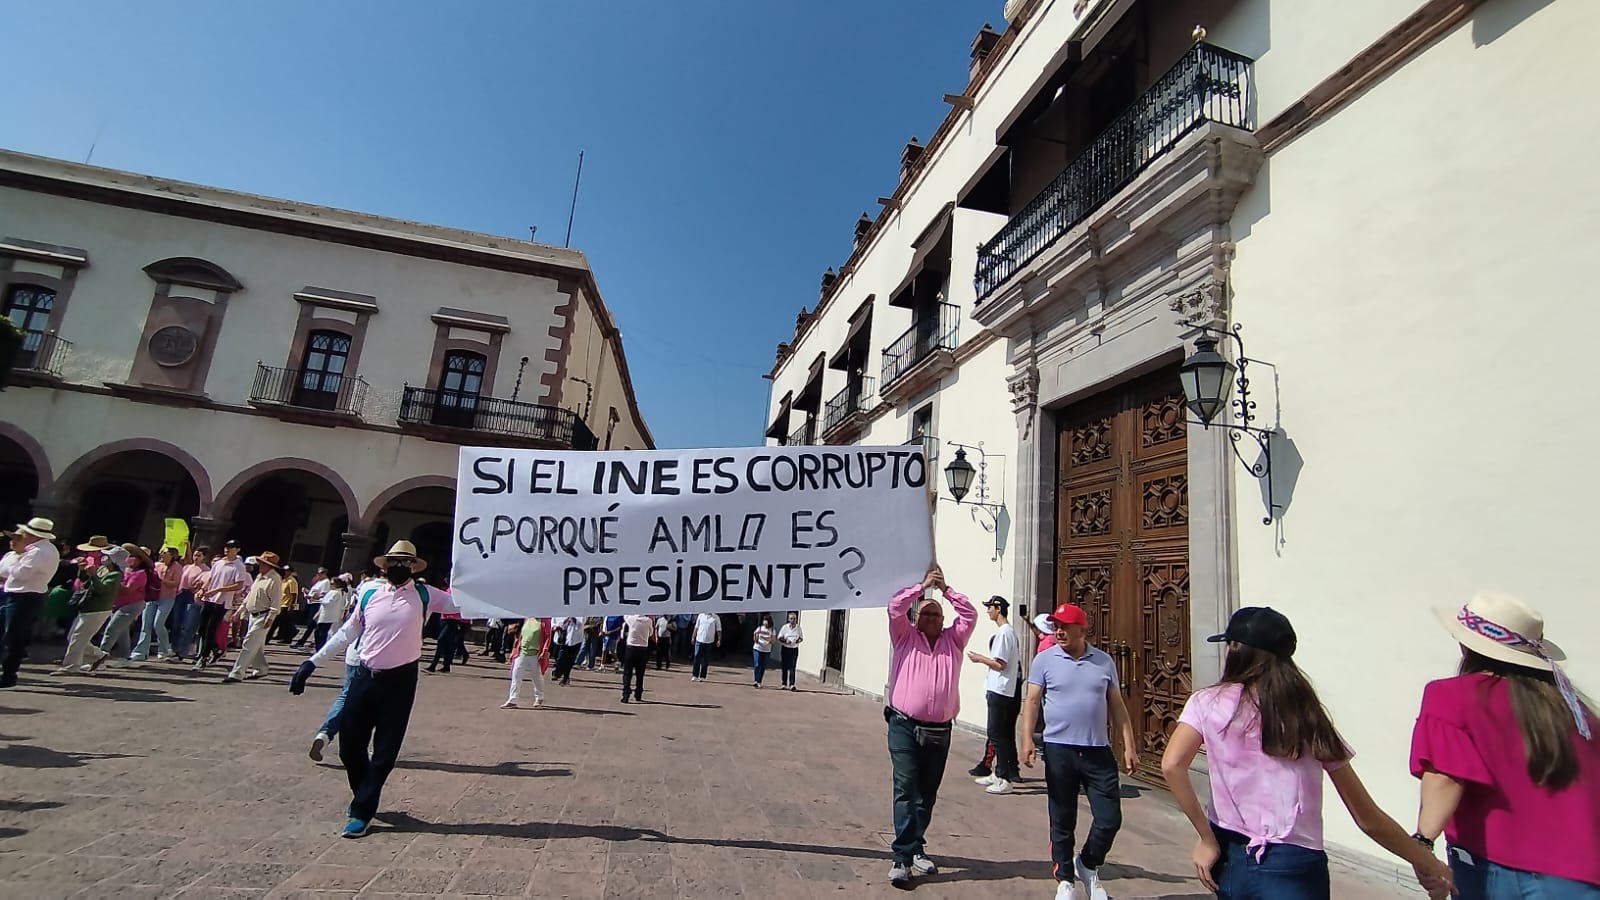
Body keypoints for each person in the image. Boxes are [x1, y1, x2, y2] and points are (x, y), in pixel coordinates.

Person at [1159, 607, 1454, 900]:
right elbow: (1367, 817)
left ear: (1235, 649)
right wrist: (1427, 862)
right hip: (1293, 864)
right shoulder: (1305, 716)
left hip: (1230, 855)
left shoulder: (1206, 703)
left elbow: (1172, 765)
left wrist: (1206, 839)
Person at [1410, 592, 1599, 898]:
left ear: (1465, 645)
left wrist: (1422, 842)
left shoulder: (1450, 697)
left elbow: (1446, 777)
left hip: (1493, 869)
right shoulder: (1578, 713)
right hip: (1580, 877)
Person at [290, 540, 461, 838]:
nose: (400, 567)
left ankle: (362, 811)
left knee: (384, 751)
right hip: (364, 676)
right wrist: (311, 663)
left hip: (400, 680)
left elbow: (465, 603)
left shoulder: (424, 595)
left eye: (406, 563)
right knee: (349, 747)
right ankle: (363, 795)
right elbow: (348, 632)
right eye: (394, 562)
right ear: (384, 566)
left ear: (414, 567)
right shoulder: (369, 593)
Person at [1020, 603, 1137, 900]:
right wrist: (1026, 740)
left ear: (1082, 630)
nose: (1059, 631)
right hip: (1059, 749)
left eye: (1065, 626)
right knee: (1062, 817)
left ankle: (1087, 863)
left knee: (1109, 818)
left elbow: (1118, 706)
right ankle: (1065, 880)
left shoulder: (1104, 662)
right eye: (1056, 625)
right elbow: (1032, 701)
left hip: (1097, 750)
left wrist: (1129, 746)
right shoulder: (1044, 660)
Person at [884, 564, 976, 887]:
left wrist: (946, 590)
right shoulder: (904, 637)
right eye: (925, 614)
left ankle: (916, 844)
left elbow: (970, 614)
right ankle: (902, 856)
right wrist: (921, 588)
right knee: (905, 788)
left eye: (936, 615)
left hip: (939, 730)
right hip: (904, 726)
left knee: (927, 794)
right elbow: (894, 607)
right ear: (916, 618)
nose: (931, 619)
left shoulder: (954, 641)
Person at [968, 595, 1021, 796]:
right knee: (1000, 734)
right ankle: (998, 773)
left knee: (997, 734)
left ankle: (1005, 777)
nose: (988, 611)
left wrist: (980, 658)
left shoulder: (1004, 634)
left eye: (990, 607)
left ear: (998, 609)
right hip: (1000, 689)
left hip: (1000, 690)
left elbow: (1000, 664)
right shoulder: (1007, 633)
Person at [1, 518, 61, 687]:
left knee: (13, 636)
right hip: (24, 595)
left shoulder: (37, 552)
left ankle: (8, 675)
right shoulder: (44, 550)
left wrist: (15, 562)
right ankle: (8, 672)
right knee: (12, 635)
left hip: (24, 595)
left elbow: (21, 574)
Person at [53, 547, 126, 674]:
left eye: (108, 557)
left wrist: (93, 575)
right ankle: (98, 655)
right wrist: (82, 571)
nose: (105, 558)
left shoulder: (116, 575)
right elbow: (85, 582)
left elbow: (102, 590)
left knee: (78, 637)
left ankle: (72, 666)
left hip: (98, 609)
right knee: (73, 636)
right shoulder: (103, 570)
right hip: (87, 606)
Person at [221, 551, 286, 683]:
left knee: (249, 643)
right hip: (253, 615)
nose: (260, 565)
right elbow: (250, 596)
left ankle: (237, 673)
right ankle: (261, 668)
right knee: (257, 645)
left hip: (264, 616)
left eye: (263, 563)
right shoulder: (259, 577)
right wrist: (239, 611)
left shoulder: (274, 579)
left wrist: (271, 617)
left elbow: (276, 601)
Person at [93, 544, 151, 670]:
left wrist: (114, 580)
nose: (129, 559)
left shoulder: (140, 574)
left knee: (111, 630)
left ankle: (99, 659)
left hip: (131, 605)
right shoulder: (125, 570)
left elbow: (128, 590)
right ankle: (125, 657)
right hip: (119, 605)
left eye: (132, 557)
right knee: (122, 632)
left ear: (139, 560)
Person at [194, 540, 248, 669]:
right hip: (209, 599)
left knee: (211, 629)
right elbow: (211, 579)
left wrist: (219, 590)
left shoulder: (238, 566)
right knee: (202, 628)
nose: (227, 549)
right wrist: (203, 589)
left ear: (237, 550)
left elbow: (239, 585)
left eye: (231, 548)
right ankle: (216, 649)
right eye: (226, 547)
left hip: (222, 601)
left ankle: (203, 657)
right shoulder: (218, 563)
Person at [132, 546, 181, 662]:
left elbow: (175, 583)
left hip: (167, 598)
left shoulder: (177, 567)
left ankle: (164, 650)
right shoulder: (156, 565)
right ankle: (140, 652)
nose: (162, 554)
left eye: (165, 553)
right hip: (152, 597)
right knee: (146, 625)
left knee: (158, 624)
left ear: (172, 555)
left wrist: (161, 580)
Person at [502, 618, 549, 709]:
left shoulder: (544, 621)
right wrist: (514, 650)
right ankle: (512, 700)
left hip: (535, 654)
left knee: (537, 677)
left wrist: (544, 650)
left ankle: (539, 697)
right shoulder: (526, 619)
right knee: (516, 676)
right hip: (522, 652)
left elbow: (547, 637)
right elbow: (519, 635)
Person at [172, 547, 209, 661]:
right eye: (195, 554)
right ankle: (175, 648)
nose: (196, 557)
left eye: (199, 555)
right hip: (181, 594)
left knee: (189, 625)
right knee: (177, 622)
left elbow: (203, 583)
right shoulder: (187, 567)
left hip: (193, 597)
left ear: (204, 557)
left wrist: (199, 588)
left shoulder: (206, 570)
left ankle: (182, 651)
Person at [293, 567, 330, 649]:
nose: (319, 574)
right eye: (318, 572)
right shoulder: (319, 582)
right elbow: (314, 591)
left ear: (324, 573)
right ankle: (305, 641)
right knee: (311, 624)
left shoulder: (326, 582)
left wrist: (311, 596)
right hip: (311, 603)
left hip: (317, 604)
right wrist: (307, 592)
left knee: (312, 624)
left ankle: (303, 641)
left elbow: (323, 594)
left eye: (321, 573)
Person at [312, 574, 353, 651]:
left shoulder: (336, 593)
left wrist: (317, 600)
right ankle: (320, 648)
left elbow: (328, 603)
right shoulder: (336, 592)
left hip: (328, 616)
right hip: (328, 616)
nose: (330, 585)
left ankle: (320, 648)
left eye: (332, 583)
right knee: (322, 633)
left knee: (321, 633)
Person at [620, 612, 652, 703]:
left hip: (631, 647)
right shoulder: (648, 620)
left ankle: (626, 694)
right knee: (640, 673)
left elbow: (624, 615)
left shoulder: (632, 619)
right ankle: (638, 693)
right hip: (643, 648)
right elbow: (650, 633)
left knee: (627, 673)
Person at [270, 567, 302, 644]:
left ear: (290, 572)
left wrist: (292, 605)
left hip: (286, 605)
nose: (285, 572)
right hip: (280, 603)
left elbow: (294, 594)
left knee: (276, 622)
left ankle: (268, 637)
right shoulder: (284, 580)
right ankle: (289, 634)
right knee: (285, 623)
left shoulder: (292, 581)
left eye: (287, 571)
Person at [690, 611, 721, 682]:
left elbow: (718, 630)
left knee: (705, 659)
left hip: (709, 641)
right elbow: (696, 627)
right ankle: (695, 675)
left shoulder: (716, 617)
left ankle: (702, 676)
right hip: (699, 639)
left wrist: (719, 639)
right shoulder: (700, 615)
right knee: (696, 656)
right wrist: (693, 637)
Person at [777, 611, 803, 691]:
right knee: (784, 666)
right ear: (788, 619)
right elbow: (779, 637)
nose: (793, 620)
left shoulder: (798, 628)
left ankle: (792, 684)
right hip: (785, 648)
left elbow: (801, 638)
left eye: (794, 618)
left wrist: (797, 640)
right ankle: (784, 683)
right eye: (791, 618)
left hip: (794, 649)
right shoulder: (785, 627)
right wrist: (785, 641)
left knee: (792, 666)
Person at [751, 613, 775, 688]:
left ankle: (759, 681)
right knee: (757, 663)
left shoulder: (772, 630)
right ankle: (755, 680)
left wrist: (770, 639)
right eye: (764, 620)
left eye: (766, 620)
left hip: (766, 650)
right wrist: (756, 637)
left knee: (763, 665)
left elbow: (773, 641)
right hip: (757, 648)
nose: (765, 622)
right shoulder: (759, 628)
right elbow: (754, 639)